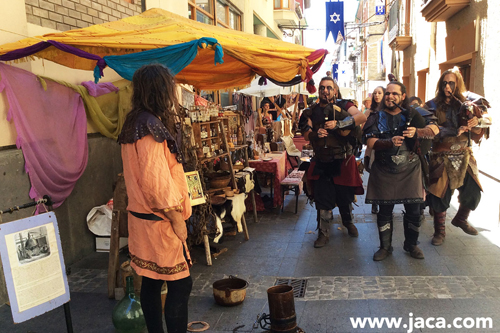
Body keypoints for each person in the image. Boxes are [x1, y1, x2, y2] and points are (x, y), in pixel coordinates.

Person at [118, 64, 193, 333]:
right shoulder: (148, 125)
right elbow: (156, 184)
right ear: (161, 90)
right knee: (179, 284)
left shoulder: (135, 122)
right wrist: (176, 218)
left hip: (144, 220)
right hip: (159, 221)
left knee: (150, 281)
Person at [363, 81, 439, 261]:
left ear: (403, 96)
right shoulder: (376, 116)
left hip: (411, 168)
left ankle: (411, 245)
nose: (390, 96)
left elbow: (435, 129)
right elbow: (369, 142)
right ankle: (385, 247)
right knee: (384, 211)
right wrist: (388, 142)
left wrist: (418, 132)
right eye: (388, 93)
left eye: (394, 93)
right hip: (383, 167)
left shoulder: (414, 113)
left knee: (414, 210)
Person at [424, 67, 491, 246]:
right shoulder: (431, 105)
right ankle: (439, 232)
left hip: (464, 155)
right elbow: (430, 129)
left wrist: (476, 122)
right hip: (441, 155)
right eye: (444, 83)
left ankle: (460, 219)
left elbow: (484, 124)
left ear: (458, 84)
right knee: (439, 195)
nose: (448, 86)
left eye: (451, 83)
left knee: (474, 192)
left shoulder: (469, 103)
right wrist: (454, 129)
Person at [300, 76, 366, 248]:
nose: (325, 91)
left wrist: (340, 123)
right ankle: (323, 233)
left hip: (343, 160)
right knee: (322, 198)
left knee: (345, 196)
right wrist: (315, 134)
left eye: (329, 87)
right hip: (322, 160)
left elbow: (361, 118)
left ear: (335, 90)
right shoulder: (311, 110)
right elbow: (305, 132)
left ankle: (348, 221)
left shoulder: (345, 105)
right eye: (322, 87)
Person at [363, 86, 385, 215]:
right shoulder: (369, 112)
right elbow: (362, 129)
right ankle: (375, 202)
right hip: (373, 149)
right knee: (375, 175)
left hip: (387, 147)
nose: (377, 95)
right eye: (375, 93)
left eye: (379, 93)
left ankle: (384, 202)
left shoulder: (388, 110)